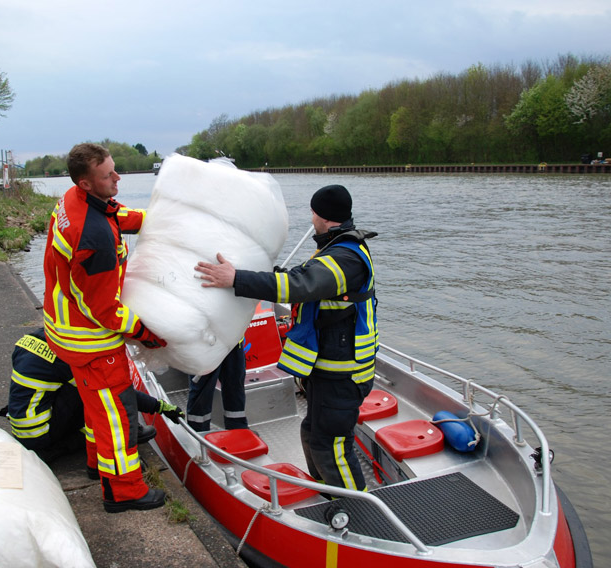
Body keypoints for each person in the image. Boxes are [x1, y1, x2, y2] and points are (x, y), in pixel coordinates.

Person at [195, 184, 378, 492]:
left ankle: (356, 511)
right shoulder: (334, 247)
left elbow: (301, 285)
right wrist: (252, 271)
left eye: (312, 212)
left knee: (330, 446)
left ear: (320, 215)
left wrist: (236, 279)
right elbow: (299, 279)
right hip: (326, 370)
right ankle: (326, 495)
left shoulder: (346, 257)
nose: (311, 218)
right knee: (312, 433)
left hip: (343, 374)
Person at [42, 143, 170, 513]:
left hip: (65, 326)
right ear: (86, 182)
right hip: (91, 340)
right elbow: (104, 310)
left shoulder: (73, 200)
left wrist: (151, 220)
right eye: (109, 175)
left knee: (96, 407)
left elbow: (114, 214)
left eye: (115, 170)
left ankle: (97, 465)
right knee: (115, 417)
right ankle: (124, 492)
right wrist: (146, 332)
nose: (117, 178)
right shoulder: (94, 239)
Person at [0, 327, 184, 471]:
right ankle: (122, 434)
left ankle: (127, 429)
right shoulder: (64, 355)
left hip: (23, 424)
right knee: (95, 390)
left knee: (81, 387)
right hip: (41, 434)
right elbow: (113, 393)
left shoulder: (28, 340)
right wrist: (160, 406)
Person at [186, 341, 247, 431]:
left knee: (235, 386)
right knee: (202, 391)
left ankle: (238, 429)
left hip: (233, 341)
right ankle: (198, 433)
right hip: (206, 344)